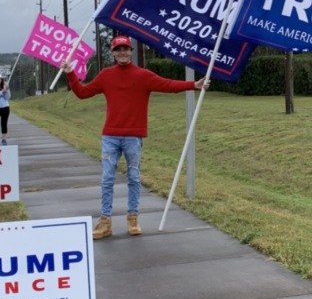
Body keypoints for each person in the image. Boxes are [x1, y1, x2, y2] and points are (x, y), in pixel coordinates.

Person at [64, 35, 210, 240]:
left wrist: (193, 85)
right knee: (107, 179)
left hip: (133, 136)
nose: (122, 52)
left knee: (134, 178)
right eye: (118, 49)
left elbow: (167, 85)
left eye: (125, 49)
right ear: (113, 53)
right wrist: (70, 73)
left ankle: (133, 219)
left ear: (131, 51)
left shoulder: (143, 75)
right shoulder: (106, 75)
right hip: (110, 136)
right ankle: (105, 222)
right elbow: (83, 93)